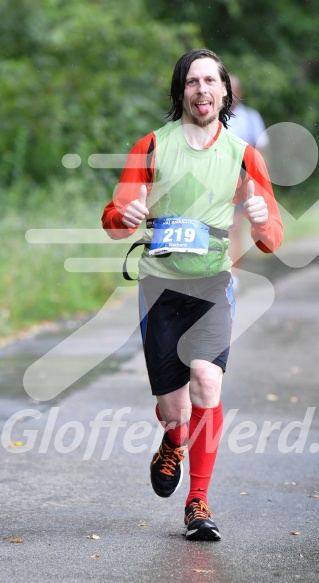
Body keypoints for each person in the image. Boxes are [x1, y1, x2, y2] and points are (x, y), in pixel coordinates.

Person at [101, 48, 283, 541]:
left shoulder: (245, 155)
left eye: (210, 82)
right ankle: (173, 439)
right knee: (174, 409)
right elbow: (113, 221)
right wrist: (125, 215)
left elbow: (273, 238)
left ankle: (197, 502)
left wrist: (265, 224)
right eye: (192, 82)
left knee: (207, 382)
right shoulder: (152, 146)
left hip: (212, 283)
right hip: (159, 286)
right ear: (180, 92)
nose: (202, 90)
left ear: (225, 91)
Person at [227, 76, 270, 277]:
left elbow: (262, 147)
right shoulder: (209, 116)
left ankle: (232, 276)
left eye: (234, 91)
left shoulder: (251, 118)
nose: (230, 95)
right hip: (211, 180)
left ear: (240, 93)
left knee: (234, 228)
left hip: (241, 180)